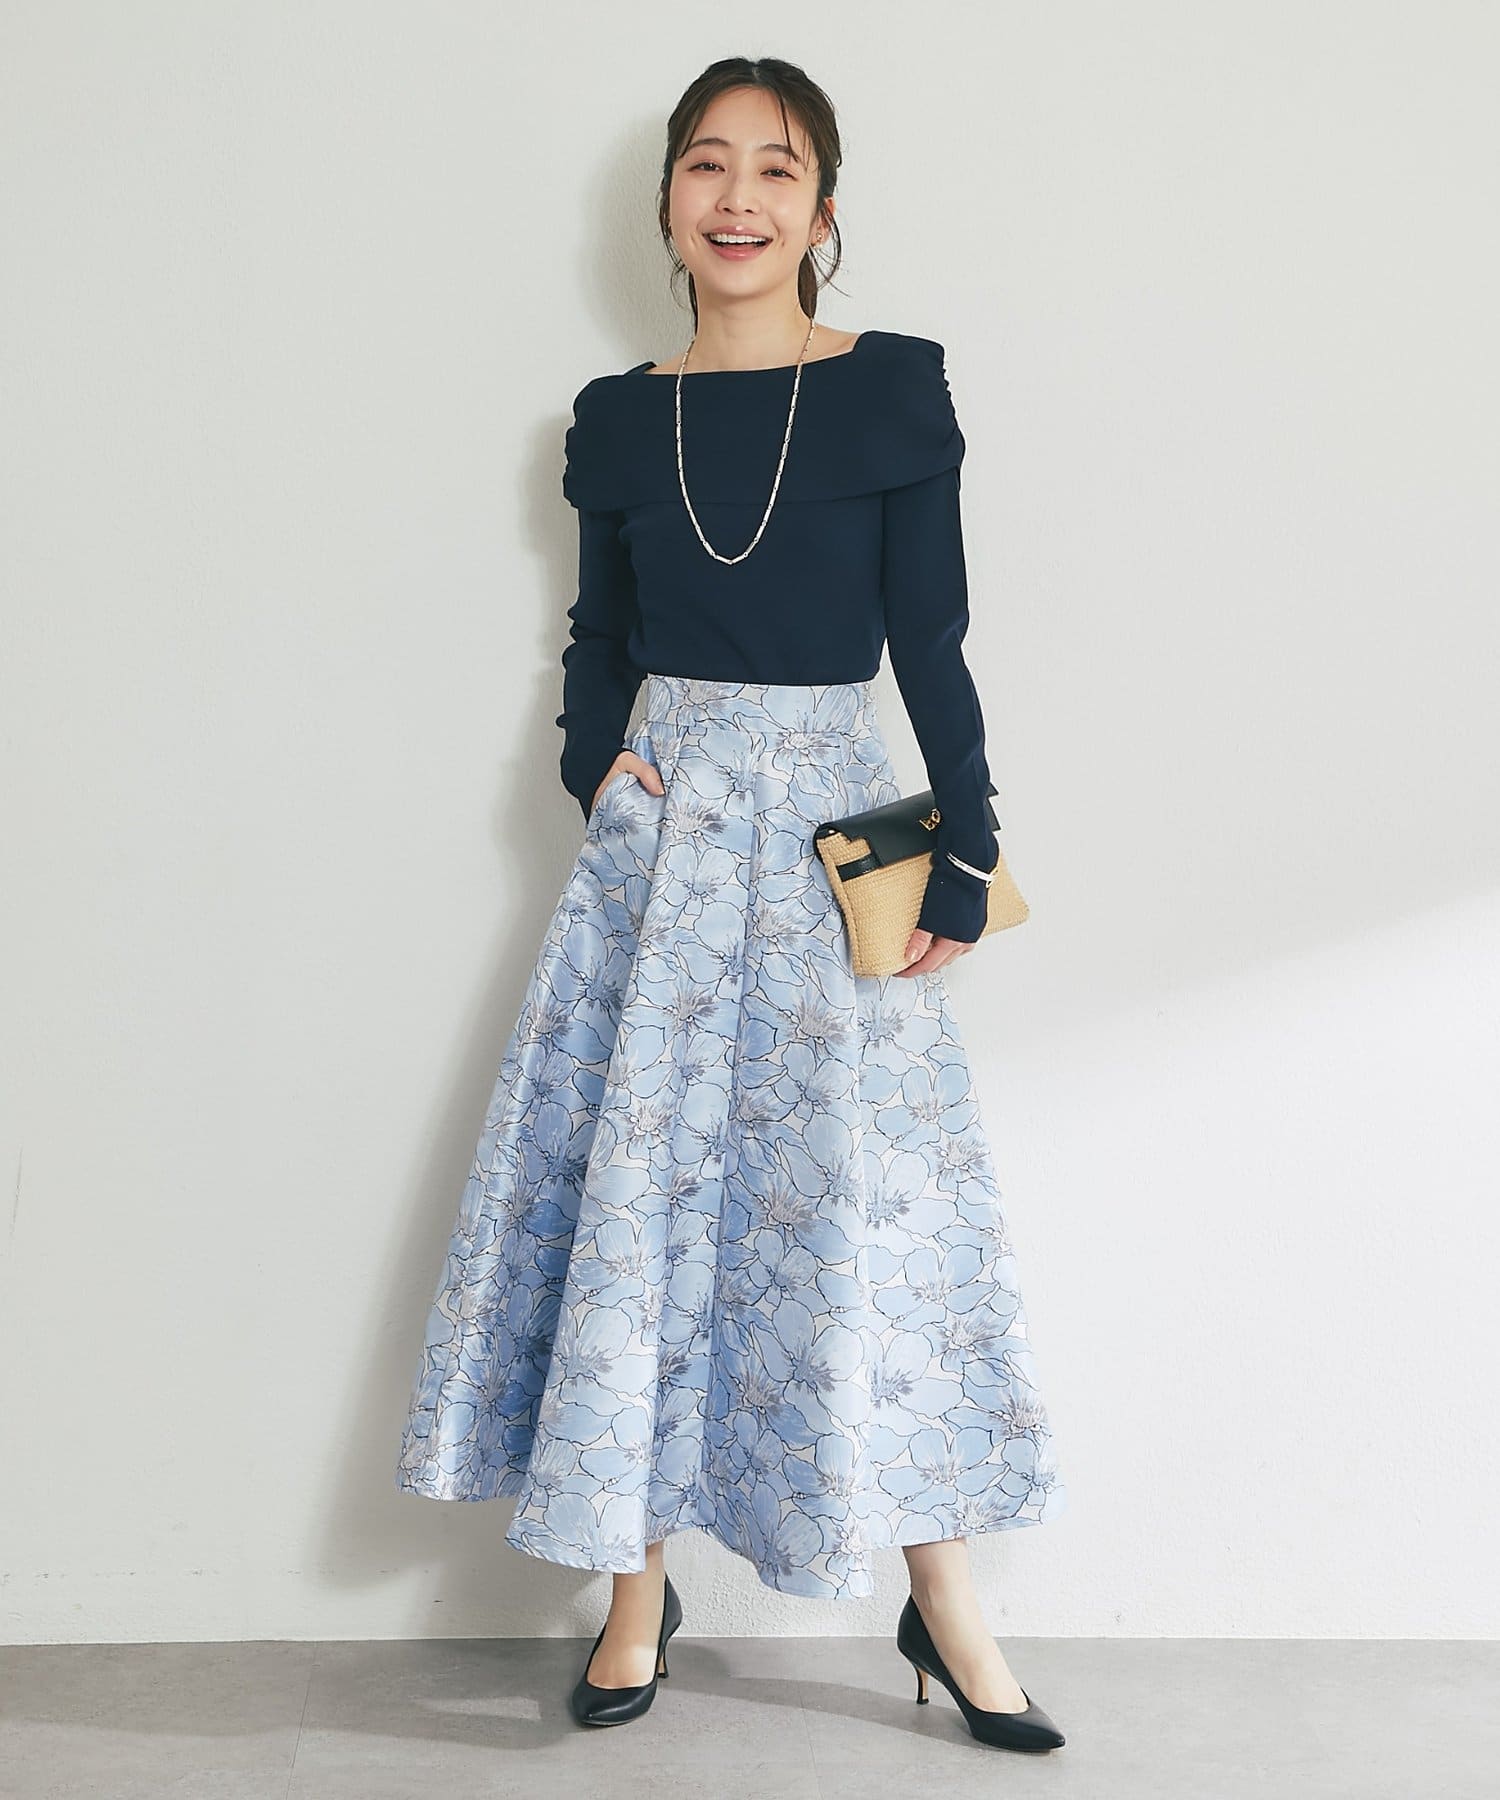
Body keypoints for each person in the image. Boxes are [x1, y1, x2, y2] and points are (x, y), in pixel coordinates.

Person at [395, 55, 1069, 1753]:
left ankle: (946, 1604)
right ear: (669, 205)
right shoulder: (621, 419)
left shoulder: (893, 389)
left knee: (869, 1218)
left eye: (778, 168)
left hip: (839, 832)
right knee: (641, 1210)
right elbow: (598, 635)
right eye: (708, 164)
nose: (740, 196)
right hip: (665, 849)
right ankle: (634, 1597)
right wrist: (593, 763)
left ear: (823, 211)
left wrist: (969, 844)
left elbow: (934, 642)